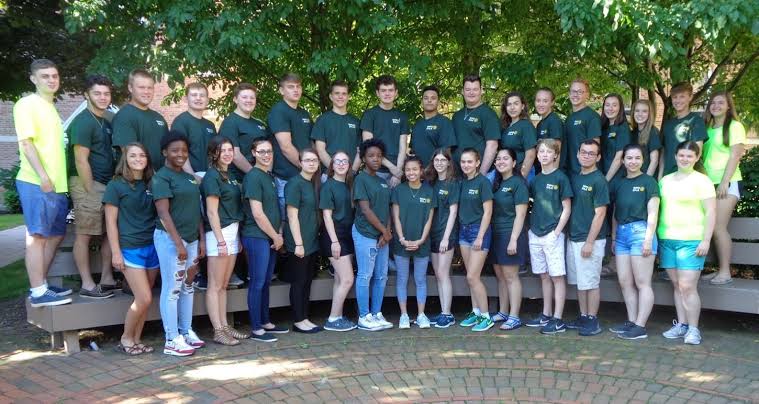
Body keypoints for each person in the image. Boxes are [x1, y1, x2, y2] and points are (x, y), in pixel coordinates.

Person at [14, 59, 72, 307]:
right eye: (45, 76)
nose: (51, 80)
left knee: (56, 235)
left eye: (54, 76)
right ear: (33, 79)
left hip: (57, 187)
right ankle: (38, 292)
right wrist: (43, 176)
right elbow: (27, 143)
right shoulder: (27, 104)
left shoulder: (51, 108)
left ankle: (42, 285)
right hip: (37, 182)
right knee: (37, 237)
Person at [151, 131, 206, 356]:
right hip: (171, 240)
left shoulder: (189, 177)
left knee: (188, 286)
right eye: (175, 150)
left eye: (184, 150)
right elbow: (163, 213)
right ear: (165, 152)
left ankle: (185, 331)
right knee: (172, 288)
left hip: (191, 239)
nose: (180, 154)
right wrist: (179, 244)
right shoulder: (161, 178)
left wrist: (201, 239)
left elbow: (196, 211)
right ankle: (171, 339)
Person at [658, 141, 716, 345]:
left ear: (697, 158)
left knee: (687, 286)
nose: (685, 159)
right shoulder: (665, 180)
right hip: (667, 239)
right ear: (675, 156)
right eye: (681, 155)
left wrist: (706, 240)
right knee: (677, 285)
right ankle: (681, 325)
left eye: (690, 156)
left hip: (692, 240)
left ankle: (693, 329)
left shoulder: (703, 181)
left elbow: (711, 212)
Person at [66, 74, 118, 299]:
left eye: (106, 93)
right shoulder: (83, 121)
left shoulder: (105, 121)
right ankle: (87, 285)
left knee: (109, 232)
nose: (103, 97)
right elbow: (80, 159)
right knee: (85, 234)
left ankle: (107, 279)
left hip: (106, 184)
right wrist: (90, 190)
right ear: (86, 95)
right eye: (97, 93)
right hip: (87, 184)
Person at [104, 143, 158, 355]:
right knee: (144, 298)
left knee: (145, 299)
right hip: (130, 248)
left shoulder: (152, 182)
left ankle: (136, 340)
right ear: (125, 159)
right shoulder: (115, 185)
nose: (138, 159)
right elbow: (110, 223)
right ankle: (126, 337)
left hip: (152, 246)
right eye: (133, 155)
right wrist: (116, 252)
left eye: (142, 155)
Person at [609, 144, 659, 340]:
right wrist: (614, 237)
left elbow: (653, 212)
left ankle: (640, 326)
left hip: (641, 233)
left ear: (643, 160)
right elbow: (615, 212)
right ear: (623, 161)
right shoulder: (619, 183)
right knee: (624, 281)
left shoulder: (649, 182)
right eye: (629, 158)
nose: (633, 161)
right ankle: (631, 321)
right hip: (622, 234)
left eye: (637, 158)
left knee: (642, 282)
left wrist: (648, 239)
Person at [201, 136, 249, 345]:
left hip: (232, 232)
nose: (228, 154)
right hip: (218, 235)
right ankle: (218, 331)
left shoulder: (229, 175)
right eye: (223, 150)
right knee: (215, 285)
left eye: (230, 150)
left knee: (223, 285)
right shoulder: (212, 177)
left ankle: (225, 326)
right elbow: (212, 212)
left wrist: (235, 238)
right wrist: (220, 241)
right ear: (214, 153)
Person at [241, 139, 288, 342]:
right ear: (253, 153)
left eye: (269, 151)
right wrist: (275, 236)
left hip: (270, 236)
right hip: (256, 236)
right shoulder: (253, 176)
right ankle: (256, 328)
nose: (266, 155)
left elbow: (274, 209)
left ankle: (265, 321)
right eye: (261, 151)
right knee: (257, 281)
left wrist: (278, 233)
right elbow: (258, 214)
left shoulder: (269, 176)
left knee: (266, 281)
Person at [526, 139, 572, 334]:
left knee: (557, 277)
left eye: (548, 152)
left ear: (555, 155)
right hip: (535, 233)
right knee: (544, 276)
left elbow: (567, 208)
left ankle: (558, 318)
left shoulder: (561, 178)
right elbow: (531, 204)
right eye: (541, 152)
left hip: (552, 233)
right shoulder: (535, 179)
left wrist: (556, 232)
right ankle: (546, 314)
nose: (544, 155)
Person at [702, 91, 746, 285]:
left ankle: (725, 272)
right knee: (709, 228)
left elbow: (735, 155)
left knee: (718, 227)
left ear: (729, 106)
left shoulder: (735, 126)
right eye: (713, 103)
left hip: (727, 182)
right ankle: (718, 269)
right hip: (707, 183)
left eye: (721, 103)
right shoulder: (708, 128)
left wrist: (724, 182)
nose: (716, 106)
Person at [566, 140, 609, 336]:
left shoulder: (599, 181)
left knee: (591, 282)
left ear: (598, 157)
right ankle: (583, 316)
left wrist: (590, 242)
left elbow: (600, 214)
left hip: (590, 239)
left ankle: (592, 319)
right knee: (580, 281)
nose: (586, 156)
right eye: (583, 152)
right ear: (578, 154)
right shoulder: (576, 178)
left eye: (591, 153)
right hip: (574, 237)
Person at [353, 139, 393, 331]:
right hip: (366, 233)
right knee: (365, 275)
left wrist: (387, 232)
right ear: (363, 159)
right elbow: (366, 210)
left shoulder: (382, 181)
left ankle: (376, 314)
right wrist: (384, 231)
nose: (376, 159)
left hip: (382, 237)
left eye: (379, 156)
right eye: (371, 156)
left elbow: (387, 210)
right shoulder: (361, 179)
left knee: (381, 276)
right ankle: (364, 316)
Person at [392, 156, 436, 329]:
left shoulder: (429, 191)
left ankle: (421, 315)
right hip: (401, 243)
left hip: (422, 243)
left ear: (421, 170)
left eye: (415, 169)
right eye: (408, 169)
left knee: (420, 279)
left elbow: (429, 219)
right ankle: (404, 315)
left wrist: (421, 240)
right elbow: (395, 217)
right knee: (402, 279)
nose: (411, 172)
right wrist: (402, 239)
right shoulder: (398, 190)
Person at [282, 149, 322, 333]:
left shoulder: (313, 183)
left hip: (311, 241)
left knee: (307, 281)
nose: (311, 163)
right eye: (307, 160)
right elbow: (292, 216)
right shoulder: (294, 184)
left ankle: (305, 317)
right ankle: (298, 320)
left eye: (314, 160)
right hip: (299, 242)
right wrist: (298, 243)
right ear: (300, 163)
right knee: (298, 282)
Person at [490, 148, 529, 331]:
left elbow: (521, 215)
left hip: (510, 234)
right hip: (496, 234)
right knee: (501, 276)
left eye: (505, 158)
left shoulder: (518, 184)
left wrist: (513, 239)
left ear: (514, 163)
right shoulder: (496, 183)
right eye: (498, 159)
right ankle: (503, 312)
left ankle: (514, 316)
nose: (501, 161)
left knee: (511, 277)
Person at [457, 148, 495, 332]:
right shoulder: (463, 182)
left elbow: (488, 212)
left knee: (472, 276)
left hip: (478, 232)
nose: (466, 165)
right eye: (463, 162)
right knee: (471, 277)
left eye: (469, 161)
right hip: (463, 232)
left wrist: (480, 236)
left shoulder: (483, 182)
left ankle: (486, 317)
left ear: (478, 163)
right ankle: (476, 311)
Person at [319, 151, 357, 332]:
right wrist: (334, 242)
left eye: (344, 161)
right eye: (337, 161)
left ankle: (338, 316)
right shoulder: (329, 186)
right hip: (334, 236)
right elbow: (327, 216)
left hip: (347, 235)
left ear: (349, 165)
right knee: (348, 279)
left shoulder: (349, 185)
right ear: (332, 165)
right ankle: (333, 319)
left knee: (340, 279)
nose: (341, 164)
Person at [269, 73, 313, 213]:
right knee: (288, 219)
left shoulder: (304, 114)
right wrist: (306, 167)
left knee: (305, 217)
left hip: (305, 176)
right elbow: (286, 147)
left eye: (298, 86)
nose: (296, 90)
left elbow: (311, 144)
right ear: (281, 90)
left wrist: (309, 168)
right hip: (286, 177)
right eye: (290, 87)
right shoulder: (279, 111)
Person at [425, 149, 460, 328]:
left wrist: (446, 238)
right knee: (438, 274)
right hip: (432, 234)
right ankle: (443, 312)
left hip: (446, 234)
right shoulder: (430, 183)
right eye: (436, 160)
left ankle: (448, 314)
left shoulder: (452, 183)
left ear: (448, 163)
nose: (439, 163)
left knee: (443, 273)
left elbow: (453, 212)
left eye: (442, 160)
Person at [112, 68, 169, 170]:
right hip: (136, 178)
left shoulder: (158, 118)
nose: (146, 92)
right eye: (141, 87)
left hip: (161, 176)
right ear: (130, 88)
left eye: (150, 88)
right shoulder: (124, 116)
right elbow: (130, 156)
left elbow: (167, 150)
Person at [360, 74, 409, 187]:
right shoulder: (370, 115)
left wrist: (397, 172)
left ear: (396, 93)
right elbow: (368, 147)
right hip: (375, 171)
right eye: (383, 90)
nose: (387, 93)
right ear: (378, 93)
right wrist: (391, 167)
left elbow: (403, 147)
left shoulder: (402, 116)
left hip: (397, 172)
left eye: (390, 90)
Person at [218, 82, 269, 181]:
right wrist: (256, 175)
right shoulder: (230, 122)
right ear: (235, 99)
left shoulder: (259, 124)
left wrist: (267, 173)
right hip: (240, 180)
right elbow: (235, 155)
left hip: (262, 177)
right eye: (244, 97)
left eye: (252, 98)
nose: (249, 100)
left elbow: (269, 151)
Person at [451, 75, 500, 175]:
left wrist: (481, 175)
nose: (471, 92)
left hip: (479, 173)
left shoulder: (488, 114)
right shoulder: (457, 116)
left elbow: (492, 145)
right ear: (462, 91)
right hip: (458, 174)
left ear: (481, 90)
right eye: (468, 89)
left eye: (475, 89)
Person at [312, 80, 362, 176]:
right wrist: (336, 171)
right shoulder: (323, 120)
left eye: (344, 93)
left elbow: (360, 151)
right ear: (331, 96)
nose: (340, 96)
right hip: (329, 174)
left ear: (348, 97)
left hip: (351, 175)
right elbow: (320, 150)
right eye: (337, 93)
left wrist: (352, 172)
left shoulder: (356, 121)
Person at [658, 82, 708, 179]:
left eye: (682, 96)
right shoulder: (668, 124)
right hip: (669, 175)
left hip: (689, 176)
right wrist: (660, 176)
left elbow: (697, 152)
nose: (678, 100)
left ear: (690, 97)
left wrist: (685, 177)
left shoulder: (696, 121)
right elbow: (664, 153)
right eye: (675, 97)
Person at [172, 82, 218, 180]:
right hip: (187, 177)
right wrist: (192, 176)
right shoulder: (181, 122)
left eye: (202, 95)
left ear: (207, 100)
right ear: (186, 99)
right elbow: (179, 153)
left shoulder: (210, 125)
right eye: (194, 95)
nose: (198, 98)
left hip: (209, 176)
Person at [410, 85, 456, 166]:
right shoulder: (417, 125)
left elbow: (446, 152)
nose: (429, 100)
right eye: (426, 98)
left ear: (438, 102)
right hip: (417, 171)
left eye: (433, 98)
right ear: (422, 102)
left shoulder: (444, 122)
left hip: (436, 171)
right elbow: (412, 150)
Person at [564, 78, 601, 175]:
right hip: (569, 172)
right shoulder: (569, 118)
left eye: (580, 92)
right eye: (573, 91)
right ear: (569, 94)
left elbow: (595, 147)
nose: (576, 94)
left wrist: (586, 172)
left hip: (583, 172)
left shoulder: (592, 117)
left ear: (587, 95)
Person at [498, 92, 537, 178]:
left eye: (516, 104)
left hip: (522, 172)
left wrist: (521, 178)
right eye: (509, 104)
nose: (512, 107)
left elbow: (531, 155)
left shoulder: (526, 126)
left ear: (522, 106)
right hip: (507, 172)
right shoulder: (505, 127)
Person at [600, 93, 631, 181]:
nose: (610, 108)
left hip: (615, 177)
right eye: (607, 105)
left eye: (614, 105)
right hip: (602, 174)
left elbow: (619, 158)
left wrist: (606, 180)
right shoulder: (603, 126)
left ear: (620, 108)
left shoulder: (622, 128)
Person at [534, 88, 564, 172]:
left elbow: (557, 150)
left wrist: (552, 174)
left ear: (552, 102)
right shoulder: (540, 124)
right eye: (538, 100)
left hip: (551, 171)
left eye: (545, 101)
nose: (541, 104)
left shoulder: (554, 121)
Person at [630, 99, 662, 176]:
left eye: (644, 111)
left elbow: (654, 161)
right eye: (637, 111)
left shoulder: (653, 132)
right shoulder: (634, 132)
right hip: (634, 176)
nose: (640, 114)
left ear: (649, 114)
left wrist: (646, 180)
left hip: (647, 176)